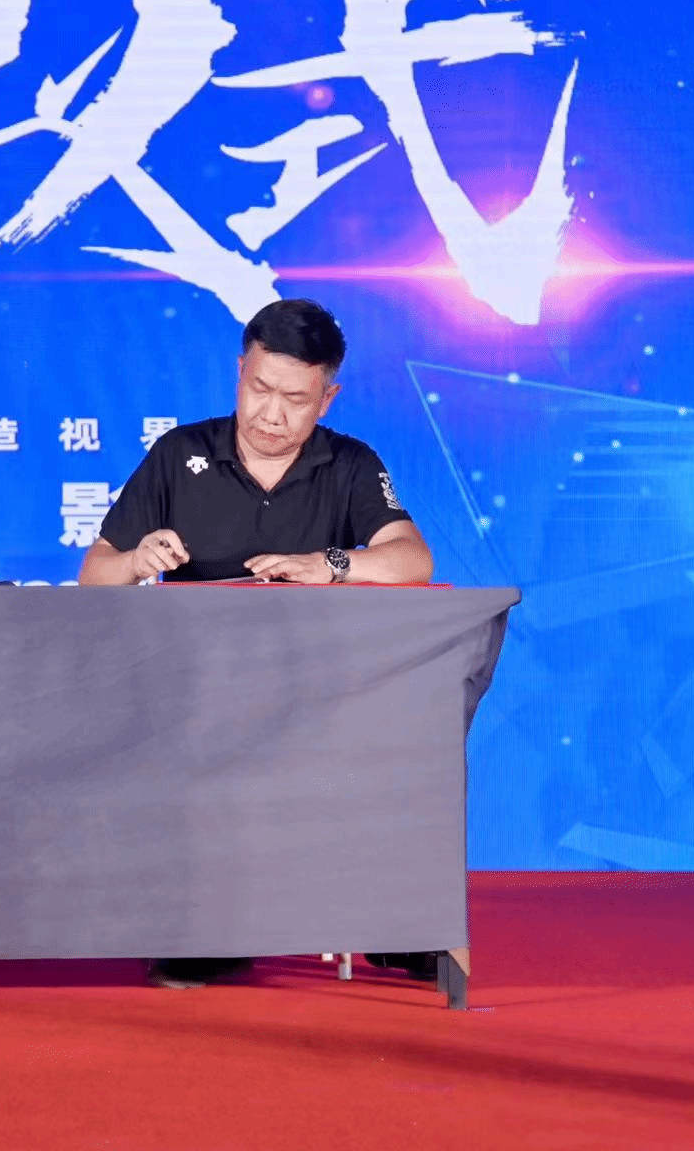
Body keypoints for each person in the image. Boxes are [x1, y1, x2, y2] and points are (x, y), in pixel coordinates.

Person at [78, 298, 437, 988]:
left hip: (318, 691)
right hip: (192, 696)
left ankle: (392, 923)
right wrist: (136, 560)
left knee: (400, 736)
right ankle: (205, 929)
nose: (271, 415)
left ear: (327, 399)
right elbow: (96, 575)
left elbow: (413, 560)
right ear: (239, 372)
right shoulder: (180, 453)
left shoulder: (349, 464)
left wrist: (329, 563)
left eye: (295, 401)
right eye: (259, 389)